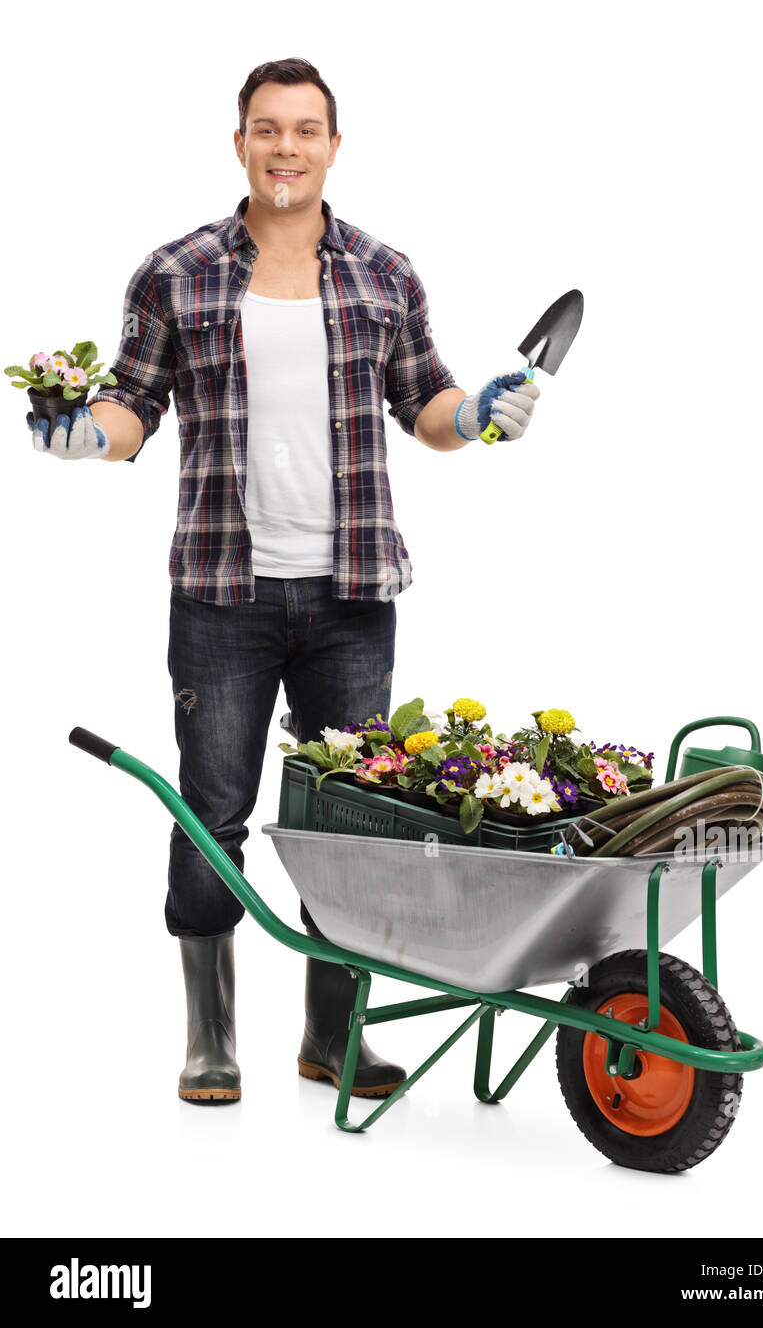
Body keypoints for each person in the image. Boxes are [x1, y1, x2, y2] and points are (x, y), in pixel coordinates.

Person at [28, 57, 540, 1105]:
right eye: (267, 129)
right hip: (223, 593)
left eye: (305, 130)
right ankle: (211, 1037)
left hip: (353, 593)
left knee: (346, 820)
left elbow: (428, 407)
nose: (286, 148)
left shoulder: (384, 273)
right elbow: (133, 404)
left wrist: (482, 411)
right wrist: (86, 436)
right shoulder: (174, 271)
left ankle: (331, 1035)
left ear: (333, 147)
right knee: (211, 809)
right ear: (239, 143)